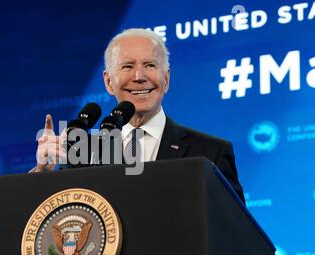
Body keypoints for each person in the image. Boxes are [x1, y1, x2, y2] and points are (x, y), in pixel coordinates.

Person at [32, 28, 245, 203]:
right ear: (108, 82)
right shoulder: (82, 153)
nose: (139, 76)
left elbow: (237, 233)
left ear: (166, 79)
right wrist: (44, 175)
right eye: (127, 66)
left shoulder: (211, 152)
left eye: (150, 65)